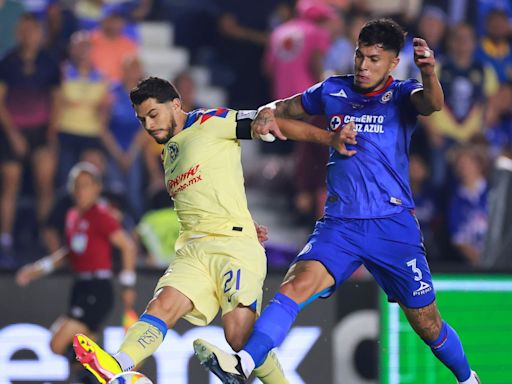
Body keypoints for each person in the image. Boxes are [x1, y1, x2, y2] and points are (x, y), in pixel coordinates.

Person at [193, 18, 481, 384]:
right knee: (294, 286)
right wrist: (265, 111)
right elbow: (286, 107)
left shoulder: (403, 94)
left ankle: (468, 379)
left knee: (427, 323)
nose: (363, 66)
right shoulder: (332, 91)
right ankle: (242, 365)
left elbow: (432, 103)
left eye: (374, 59)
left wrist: (429, 72)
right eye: (360, 56)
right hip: (340, 225)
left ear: (393, 63)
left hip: (392, 227)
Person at [71, 77, 355, 384]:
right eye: (142, 120)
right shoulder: (168, 152)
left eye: (153, 114)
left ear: (176, 104)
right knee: (162, 304)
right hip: (193, 249)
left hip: (233, 246)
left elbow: (271, 121)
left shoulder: (211, 121)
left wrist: (329, 139)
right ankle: (117, 366)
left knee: (239, 336)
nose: (149, 125)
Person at [15, 161, 137, 382]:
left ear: (97, 187)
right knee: (79, 350)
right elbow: (69, 252)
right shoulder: (73, 216)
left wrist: (127, 284)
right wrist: (37, 269)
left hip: (97, 289)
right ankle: (101, 376)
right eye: (77, 185)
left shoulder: (101, 214)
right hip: (80, 288)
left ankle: (107, 372)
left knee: (59, 343)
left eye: (86, 185)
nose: (81, 190)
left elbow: (127, 245)